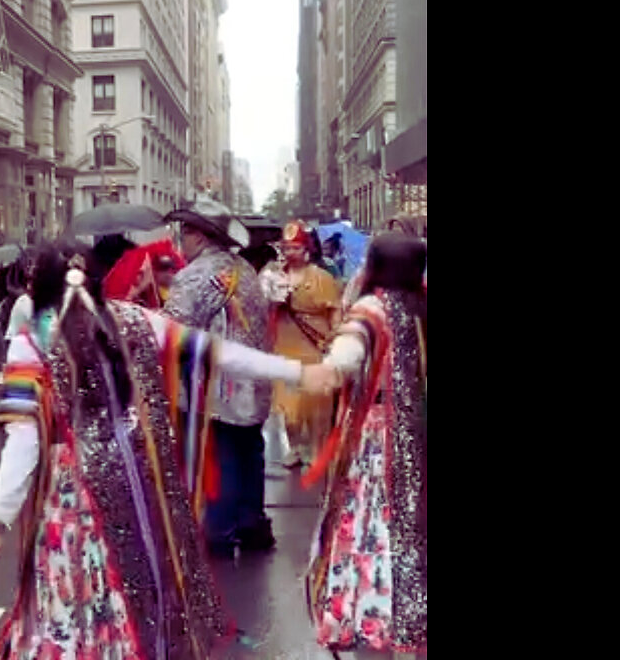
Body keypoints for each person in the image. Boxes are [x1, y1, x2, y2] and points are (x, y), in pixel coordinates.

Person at [0, 241, 339, 660]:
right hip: (143, 485)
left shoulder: (30, 342)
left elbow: (23, 442)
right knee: (142, 586)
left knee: (76, 597)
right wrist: (298, 372)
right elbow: (218, 353)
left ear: (39, 286)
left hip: (73, 501)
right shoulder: (136, 320)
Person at [302, 232, 427, 659]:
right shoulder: (419, 305)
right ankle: (410, 615)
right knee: (412, 527)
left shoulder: (372, 309)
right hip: (419, 436)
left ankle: (375, 613)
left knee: (376, 525)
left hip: (380, 439)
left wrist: (326, 370)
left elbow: (347, 353)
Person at [162, 199, 276, 556]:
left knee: (221, 456)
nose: (181, 239)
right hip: (253, 382)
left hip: (216, 387)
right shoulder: (243, 268)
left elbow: (172, 329)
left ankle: (220, 532)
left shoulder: (196, 275)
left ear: (198, 235)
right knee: (249, 451)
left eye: (185, 232)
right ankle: (251, 524)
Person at [259, 222, 342, 470]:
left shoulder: (322, 278)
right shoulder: (273, 275)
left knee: (316, 405)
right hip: (284, 344)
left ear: (306, 249)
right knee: (288, 405)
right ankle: (294, 447)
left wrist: (334, 337)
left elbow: (334, 311)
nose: (290, 252)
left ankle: (317, 450)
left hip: (314, 345)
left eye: (295, 247)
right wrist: (272, 299)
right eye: (286, 247)